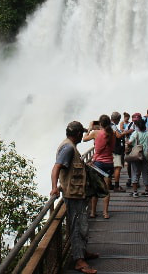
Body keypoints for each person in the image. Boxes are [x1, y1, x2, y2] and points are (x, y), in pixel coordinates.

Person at [51, 121, 98, 274]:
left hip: (77, 193)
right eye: (82, 134)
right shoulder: (68, 149)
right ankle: (79, 261)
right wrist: (54, 188)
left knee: (82, 224)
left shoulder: (71, 147)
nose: (82, 136)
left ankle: (82, 253)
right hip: (72, 195)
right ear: (78, 134)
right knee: (77, 226)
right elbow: (57, 167)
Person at [83, 115, 115, 219]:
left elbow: (84, 139)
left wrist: (89, 128)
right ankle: (105, 213)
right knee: (106, 189)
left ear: (100, 123)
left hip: (98, 164)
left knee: (95, 188)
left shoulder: (95, 133)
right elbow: (112, 147)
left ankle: (93, 212)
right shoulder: (112, 134)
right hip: (109, 164)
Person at [127, 113, 148, 197]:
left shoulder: (135, 133)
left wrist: (127, 142)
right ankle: (147, 190)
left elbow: (130, 142)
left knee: (135, 173)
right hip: (146, 155)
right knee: (145, 173)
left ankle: (135, 192)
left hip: (136, 156)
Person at [110, 111, 128, 192]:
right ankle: (116, 186)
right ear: (116, 119)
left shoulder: (108, 125)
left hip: (111, 149)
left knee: (110, 168)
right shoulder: (113, 126)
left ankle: (108, 185)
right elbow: (118, 135)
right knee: (118, 167)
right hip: (116, 149)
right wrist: (126, 132)